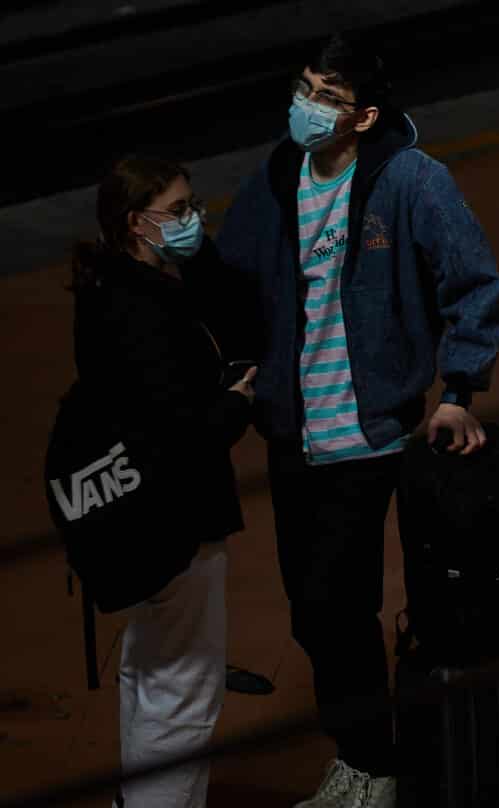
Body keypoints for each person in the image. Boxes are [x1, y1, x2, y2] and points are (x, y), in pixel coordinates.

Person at [216, 33, 499, 808]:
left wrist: (459, 389)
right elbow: (233, 275)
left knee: (338, 607)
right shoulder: (281, 173)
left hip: (366, 435)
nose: (306, 106)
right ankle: (362, 750)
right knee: (312, 610)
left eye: (327, 98)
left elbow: (472, 281)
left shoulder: (411, 181)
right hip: (290, 430)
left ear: (366, 116)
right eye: (303, 88)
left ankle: (371, 765)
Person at [69, 155, 256, 807]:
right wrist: (237, 401)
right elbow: (183, 428)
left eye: (191, 206)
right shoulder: (142, 310)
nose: (191, 220)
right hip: (176, 521)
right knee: (185, 694)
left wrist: (196, 257)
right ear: (134, 223)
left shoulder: (106, 288)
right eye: (176, 212)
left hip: (132, 521)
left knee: (148, 671)